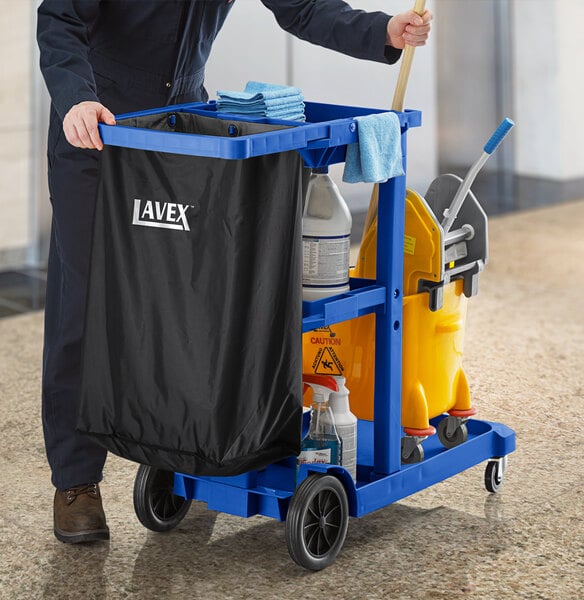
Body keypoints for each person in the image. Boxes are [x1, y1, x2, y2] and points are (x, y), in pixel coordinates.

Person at [37, 0, 432, 544]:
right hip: (98, 130)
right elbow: (60, 18)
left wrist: (383, 31)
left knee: (190, 301)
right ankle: (76, 481)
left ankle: (185, 447)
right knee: (85, 303)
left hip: (183, 130)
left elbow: (304, 8)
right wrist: (76, 96)